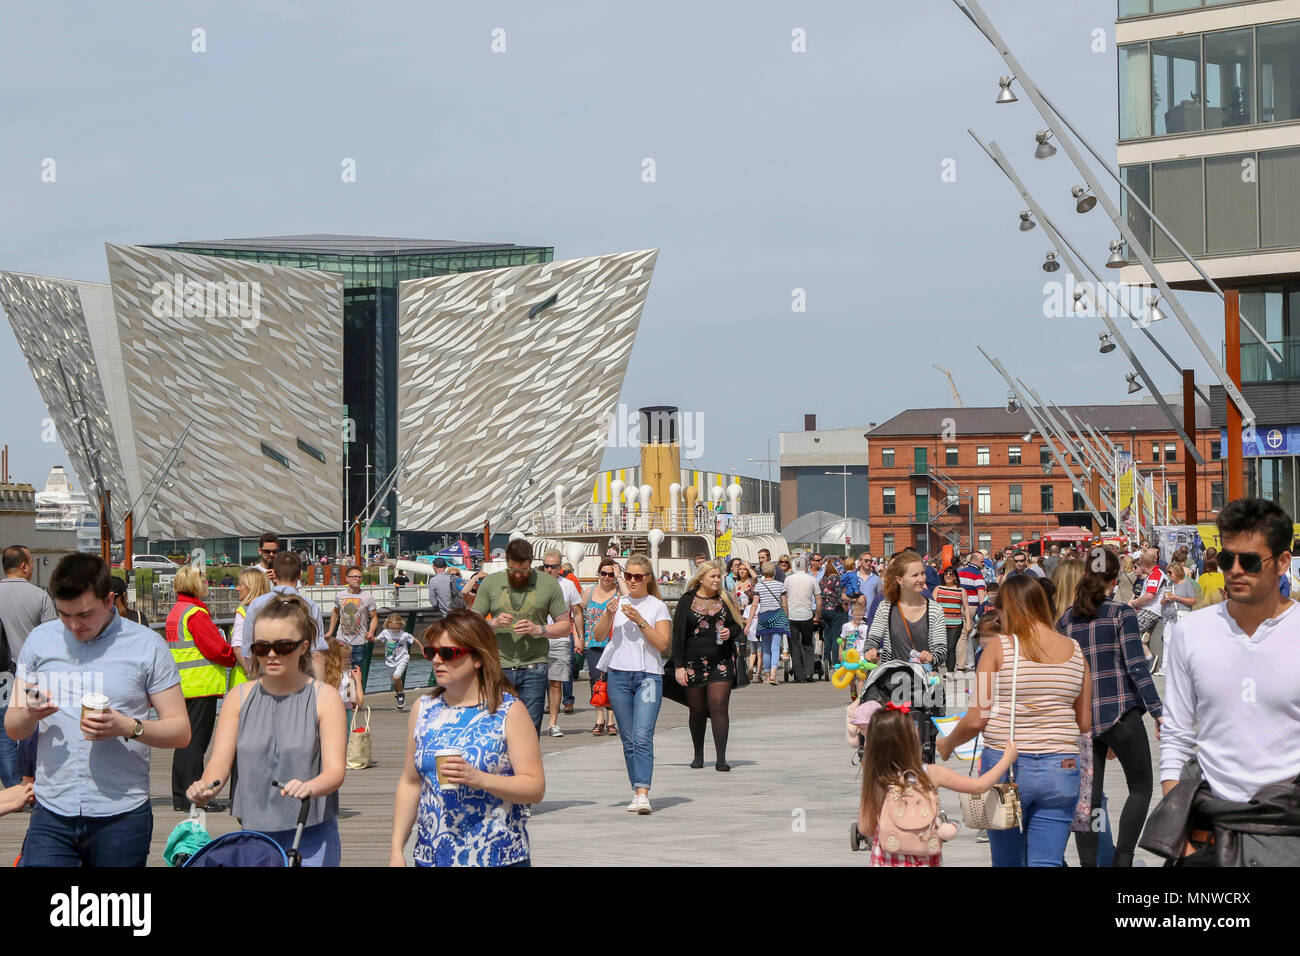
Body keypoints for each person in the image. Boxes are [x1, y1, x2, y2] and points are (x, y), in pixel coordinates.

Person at [7, 553, 190, 866]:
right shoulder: (41, 640)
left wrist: (128, 727)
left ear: (109, 600)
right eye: (65, 615)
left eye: (85, 614)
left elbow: (181, 731)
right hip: (53, 811)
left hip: (121, 813)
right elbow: (13, 726)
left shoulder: (147, 645)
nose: (75, 625)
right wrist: (29, 714)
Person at [1158, 498, 1300, 864]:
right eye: (1227, 560)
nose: (1235, 570)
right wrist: (1181, 838)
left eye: (1250, 561)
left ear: (1283, 562)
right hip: (1208, 834)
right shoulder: (1193, 632)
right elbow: (1176, 735)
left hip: (1287, 832)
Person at [938, 575, 1091, 867]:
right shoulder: (1076, 652)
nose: (997, 615)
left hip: (1006, 765)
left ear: (1013, 608)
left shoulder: (999, 648)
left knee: (1007, 861)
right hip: (1062, 765)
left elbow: (977, 717)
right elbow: (1084, 723)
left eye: (1000, 608)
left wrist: (947, 743)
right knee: (1047, 861)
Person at [185, 593, 347, 866]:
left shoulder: (325, 697)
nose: (271, 655)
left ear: (303, 646)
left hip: (309, 832)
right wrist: (205, 788)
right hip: (254, 837)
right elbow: (219, 766)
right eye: (261, 648)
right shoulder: (237, 698)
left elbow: (335, 771)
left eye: (283, 646)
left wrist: (309, 786)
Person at [390, 610, 544, 866]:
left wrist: (479, 779)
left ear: (477, 658)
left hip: (497, 857)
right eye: (432, 652)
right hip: (432, 857)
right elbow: (410, 782)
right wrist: (397, 849)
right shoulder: (423, 709)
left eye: (448, 653)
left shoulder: (508, 711)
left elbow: (534, 787)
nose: (437, 660)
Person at [1058, 547, 1162, 867]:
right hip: (1121, 715)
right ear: (1114, 579)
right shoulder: (1121, 613)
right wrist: (1158, 712)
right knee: (1142, 786)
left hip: (1084, 723)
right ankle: (1123, 859)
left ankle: (1089, 864)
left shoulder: (1065, 621)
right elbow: (1137, 668)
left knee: (1088, 800)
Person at [858, 704, 1016, 866]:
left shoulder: (878, 777)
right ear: (910, 740)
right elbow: (980, 786)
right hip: (925, 857)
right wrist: (1007, 759)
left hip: (887, 859)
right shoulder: (930, 773)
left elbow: (866, 827)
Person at [592, 554, 671, 813]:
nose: (633, 581)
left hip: (648, 676)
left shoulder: (657, 606)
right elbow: (599, 636)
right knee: (628, 739)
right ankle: (636, 790)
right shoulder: (618, 603)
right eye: (628, 576)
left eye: (638, 576)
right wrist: (608, 614)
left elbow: (662, 644)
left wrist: (639, 620)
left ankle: (643, 792)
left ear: (648, 578)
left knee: (642, 736)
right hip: (618, 676)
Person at [471, 539, 570, 735]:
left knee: (529, 732)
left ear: (531, 562)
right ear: (506, 562)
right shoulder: (491, 582)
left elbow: (565, 626)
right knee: (497, 731)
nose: (517, 575)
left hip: (534, 668)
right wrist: (493, 623)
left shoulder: (548, 584)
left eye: (522, 571)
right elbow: (471, 622)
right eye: (512, 570)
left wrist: (539, 629)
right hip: (498, 668)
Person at [165, 565, 239, 812]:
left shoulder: (177, 611)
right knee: (196, 744)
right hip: (201, 684)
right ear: (195, 585)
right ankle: (193, 796)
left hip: (183, 684)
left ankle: (180, 796)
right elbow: (215, 648)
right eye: (204, 580)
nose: (208, 583)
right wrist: (234, 656)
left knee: (184, 742)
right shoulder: (195, 613)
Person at [671, 560, 743, 771]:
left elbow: (738, 624)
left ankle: (721, 758)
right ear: (701, 578)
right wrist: (679, 665)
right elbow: (678, 634)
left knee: (719, 705)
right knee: (697, 710)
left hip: (721, 662)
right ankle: (698, 754)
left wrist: (731, 631)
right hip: (693, 663)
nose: (716, 580)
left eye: (719, 576)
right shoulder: (687, 600)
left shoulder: (725, 598)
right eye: (712, 576)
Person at [0, 545, 57, 788]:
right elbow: (53, 638)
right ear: (24, 566)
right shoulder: (40, 596)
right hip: (32, 677)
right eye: (31, 562)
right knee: (31, 727)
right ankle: (29, 782)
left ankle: (14, 786)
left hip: (2, 675)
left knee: (4, 732)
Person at [243, 552, 329, 680]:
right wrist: (320, 688)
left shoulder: (257, 604)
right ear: (300, 575)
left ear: (274, 574)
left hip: (266, 678)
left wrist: (253, 678)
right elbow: (316, 653)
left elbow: (247, 648)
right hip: (300, 679)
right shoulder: (310, 607)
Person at [863, 552, 947, 673]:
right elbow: (872, 639)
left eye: (922, 573)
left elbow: (941, 648)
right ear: (900, 580)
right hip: (892, 681)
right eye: (915, 575)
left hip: (925, 682)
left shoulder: (934, 609)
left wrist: (931, 657)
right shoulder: (886, 607)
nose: (921, 579)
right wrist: (870, 651)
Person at [540, 549, 584, 737]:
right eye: (546, 566)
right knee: (533, 683)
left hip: (560, 639)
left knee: (555, 683)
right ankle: (531, 723)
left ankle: (553, 722)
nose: (549, 569)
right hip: (536, 639)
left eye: (553, 566)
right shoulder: (535, 584)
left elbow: (577, 612)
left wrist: (579, 637)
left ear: (560, 567)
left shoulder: (568, 585)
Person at [326, 565, 378, 699]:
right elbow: (335, 612)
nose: (357, 579)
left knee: (355, 670)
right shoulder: (340, 596)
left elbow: (374, 617)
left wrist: (371, 632)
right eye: (354, 576)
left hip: (359, 640)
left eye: (360, 577)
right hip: (341, 638)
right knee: (338, 668)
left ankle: (353, 698)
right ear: (347, 579)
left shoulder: (367, 597)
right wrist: (330, 631)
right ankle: (338, 698)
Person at [582, 559, 620, 736]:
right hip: (593, 643)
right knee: (596, 678)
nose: (606, 577)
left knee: (612, 680)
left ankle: (611, 719)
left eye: (610, 574)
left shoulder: (619, 594)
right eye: (603, 573)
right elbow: (577, 616)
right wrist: (579, 637)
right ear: (598, 574)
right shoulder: (588, 593)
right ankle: (599, 718)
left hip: (613, 643)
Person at [783, 555, 821, 682]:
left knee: (794, 646)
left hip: (792, 615)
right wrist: (817, 616)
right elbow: (818, 600)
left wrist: (786, 613)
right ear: (806, 567)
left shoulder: (788, 580)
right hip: (806, 615)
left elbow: (784, 598)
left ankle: (799, 675)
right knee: (808, 644)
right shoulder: (812, 580)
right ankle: (809, 672)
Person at [230, 566, 271, 674]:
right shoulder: (273, 611)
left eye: (240, 585)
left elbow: (238, 648)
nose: (237, 588)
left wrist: (252, 675)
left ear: (250, 587)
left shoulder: (243, 611)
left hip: (244, 676)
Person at [753, 562, 788, 685]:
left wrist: (749, 622)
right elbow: (784, 604)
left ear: (762, 572)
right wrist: (786, 617)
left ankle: (767, 676)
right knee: (775, 646)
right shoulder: (780, 585)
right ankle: (773, 674)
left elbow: (755, 604)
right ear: (774, 572)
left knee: (766, 647)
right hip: (777, 616)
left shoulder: (758, 586)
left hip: (763, 617)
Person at [380, 613, 421, 710]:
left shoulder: (404, 635)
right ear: (387, 626)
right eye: (392, 628)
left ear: (401, 625)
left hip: (403, 659)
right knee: (394, 682)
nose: (394, 631)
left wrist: (422, 648)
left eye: (396, 628)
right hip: (390, 661)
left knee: (396, 676)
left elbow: (415, 640)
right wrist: (369, 637)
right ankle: (399, 696)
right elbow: (376, 639)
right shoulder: (385, 633)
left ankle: (401, 694)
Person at [931, 566, 967, 674]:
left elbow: (966, 607)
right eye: (946, 574)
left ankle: (950, 671)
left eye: (950, 574)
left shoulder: (961, 590)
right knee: (938, 646)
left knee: (951, 647)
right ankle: (934, 667)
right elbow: (932, 605)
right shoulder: (938, 589)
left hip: (955, 623)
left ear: (955, 577)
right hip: (940, 623)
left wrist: (968, 623)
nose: (948, 576)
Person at [818, 557, 847, 679]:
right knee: (836, 637)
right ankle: (835, 662)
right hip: (835, 610)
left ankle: (826, 660)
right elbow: (840, 596)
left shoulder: (822, 579)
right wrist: (845, 608)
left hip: (824, 610)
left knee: (827, 636)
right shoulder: (837, 578)